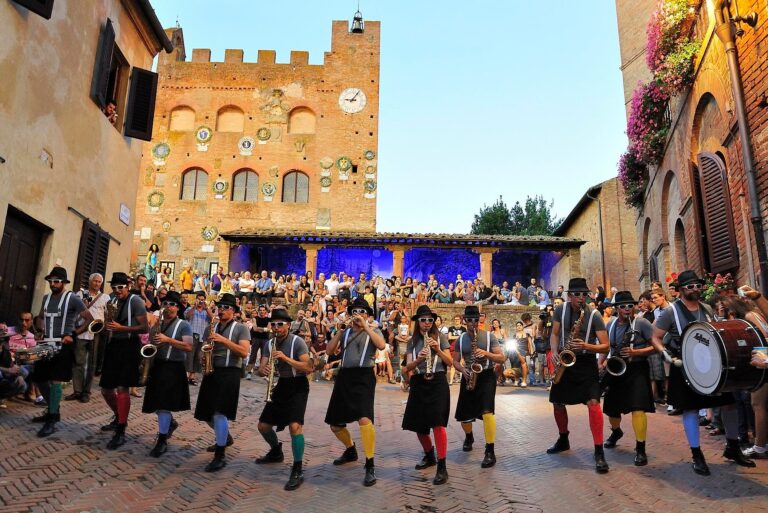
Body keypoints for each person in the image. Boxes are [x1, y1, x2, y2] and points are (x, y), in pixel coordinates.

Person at [650, 270, 754, 475]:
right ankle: (696, 454)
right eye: (690, 286)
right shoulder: (670, 311)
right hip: (685, 364)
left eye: (698, 286)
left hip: (710, 363)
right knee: (690, 409)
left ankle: (732, 447)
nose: (695, 289)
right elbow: (655, 337)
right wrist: (665, 354)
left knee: (729, 404)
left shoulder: (706, 308)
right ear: (681, 289)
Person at [547, 277, 610, 474]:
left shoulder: (595, 315)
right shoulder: (560, 310)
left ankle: (599, 451)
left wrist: (587, 346)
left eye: (584, 294)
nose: (581, 298)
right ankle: (563, 438)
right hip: (565, 359)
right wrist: (554, 351)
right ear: (570, 296)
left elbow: (606, 346)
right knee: (558, 402)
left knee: (593, 403)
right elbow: (555, 334)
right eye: (577, 294)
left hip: (585, 361)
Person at [324, 297, 386, 486]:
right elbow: (329, 350)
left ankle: (370, 464)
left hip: (364, 376)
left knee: (364, 418)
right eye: (355, 311)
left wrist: (365, 326)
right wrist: (340, 331)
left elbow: (381, 345)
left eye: (362, 312)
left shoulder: (373, 331)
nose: (357, 315)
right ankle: (350, 449)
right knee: (335, 424)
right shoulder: (345, 332)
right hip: (345, 376)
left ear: (368, 315)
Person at [255, 309, 313, 490]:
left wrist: (286, 358)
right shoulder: (270, 343)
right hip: (281, 385)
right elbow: (261, 368)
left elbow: (308, 368)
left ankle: (297, 468)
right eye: (273, 324)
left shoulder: (297, 342)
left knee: (295, 426)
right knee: (263, 426)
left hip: (298, 385)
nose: (276, 327)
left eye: (280, 324)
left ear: (288, 325)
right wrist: (262, 370)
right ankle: (275, 451)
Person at [31, 267, 93, 437]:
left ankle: (51, 418)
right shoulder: (46, 298)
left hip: (63, 344)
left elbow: (89, 319)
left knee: (56, 380)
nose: (53, 284)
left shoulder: (72, 298)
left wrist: (73, 334)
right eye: (51, 281)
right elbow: (41, 317)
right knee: (39, 378)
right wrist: (39, 330)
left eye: (56, 281)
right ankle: (53, 409)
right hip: (46, 343)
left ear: (64, 282)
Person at [194, 293, 250, 472]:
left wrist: (223, 340)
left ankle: (220, 455)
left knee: (220, 412)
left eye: (226, 307)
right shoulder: (211, 327)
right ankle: (224, 438)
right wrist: (202, 356)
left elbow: (244, 352)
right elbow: (203, 348)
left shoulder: (241, 328)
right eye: (220, 307)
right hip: (211, 371)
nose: (222, 310)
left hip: (229, 372)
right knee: (205, 413)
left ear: (234, 311)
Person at [598, 291, 656, 466]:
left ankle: (640, 449)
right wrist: (600, 362)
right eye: (623, 306)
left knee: (638, 408)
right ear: (616, 308)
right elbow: (607, 347)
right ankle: (616, 432)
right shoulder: (611, 324)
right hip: (616, 369)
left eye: (630, 305)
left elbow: (657, 345)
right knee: (611, 409)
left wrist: (635, 352)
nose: (627, 309)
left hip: (637, 369)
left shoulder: (642, 323)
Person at [402, 305, 452, 485]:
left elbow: (450, 362)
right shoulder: (412, 341)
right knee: (419, 425)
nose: (427, 323)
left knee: (438, 423)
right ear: (417, 322)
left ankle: (442, 466)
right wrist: (419, 360)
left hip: (437, 381)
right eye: (423, 320)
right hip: (419, 381)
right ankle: (429, 455)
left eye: (430, 320)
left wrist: (437, 349)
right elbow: (407, 368)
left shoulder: (441, 338)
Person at [99, 272, 148, 449]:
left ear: (128, 286)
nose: (117, 290)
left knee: (122, 388)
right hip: (113, 345)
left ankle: (121, 429)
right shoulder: (111, 300)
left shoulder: (136, 301)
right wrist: (106, 325)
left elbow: (144, 327)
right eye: (114, 287)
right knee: (106, 389)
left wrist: (122, 328)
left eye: (120, 287)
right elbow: (108, 323)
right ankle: (119, 417)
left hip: (129, 345)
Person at [452, 305, 505, 468]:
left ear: (480, 320)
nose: (473, 323)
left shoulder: (489, 337)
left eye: (476, 320)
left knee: (487, 412)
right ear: (464, 320)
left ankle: (490, 451)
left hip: (487, 376)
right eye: (470, 320)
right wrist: (463, 370)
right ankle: (469, 436)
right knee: (464, 416)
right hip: (469, 375)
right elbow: (455, 361)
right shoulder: (461, 339)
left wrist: (486, 353)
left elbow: (501, 358)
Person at [141, 291, 192, 457]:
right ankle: (169, 422)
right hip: (157, 365)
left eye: (172, 304)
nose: (168, 307)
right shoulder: (158, 323)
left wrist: (167, 339)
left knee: (163, 405)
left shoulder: (184, 325)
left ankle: (162, 440)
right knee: (155, 403)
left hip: (173, 367)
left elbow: (188, 346)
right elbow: (150, 343)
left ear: (178, 308)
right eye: (165, 304)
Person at [69, 273, 110, 403]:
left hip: (96, 332)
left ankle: (86, 392)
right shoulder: (79, 294)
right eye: (94, 281)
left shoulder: (105, 297)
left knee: (92, 363)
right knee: (78, 361)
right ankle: (77, 391)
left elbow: (108, 315)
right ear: (90, 281)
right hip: (81, 331)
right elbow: (73, 310)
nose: (97, 283)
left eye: (99, 282)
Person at [185, 292, 213, 386]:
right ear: (196, 299)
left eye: (202, 300)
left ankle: (192, 376)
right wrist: (194, 307)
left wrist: (207, 308)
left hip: (202, 336)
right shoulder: (190, 308)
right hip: (192, 335)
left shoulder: (206, 311)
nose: (201, 301)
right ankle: (187, 375)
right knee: (189, 356)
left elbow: (212, 319)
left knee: (198, 357)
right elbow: (187, 316)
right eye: (199, 299)